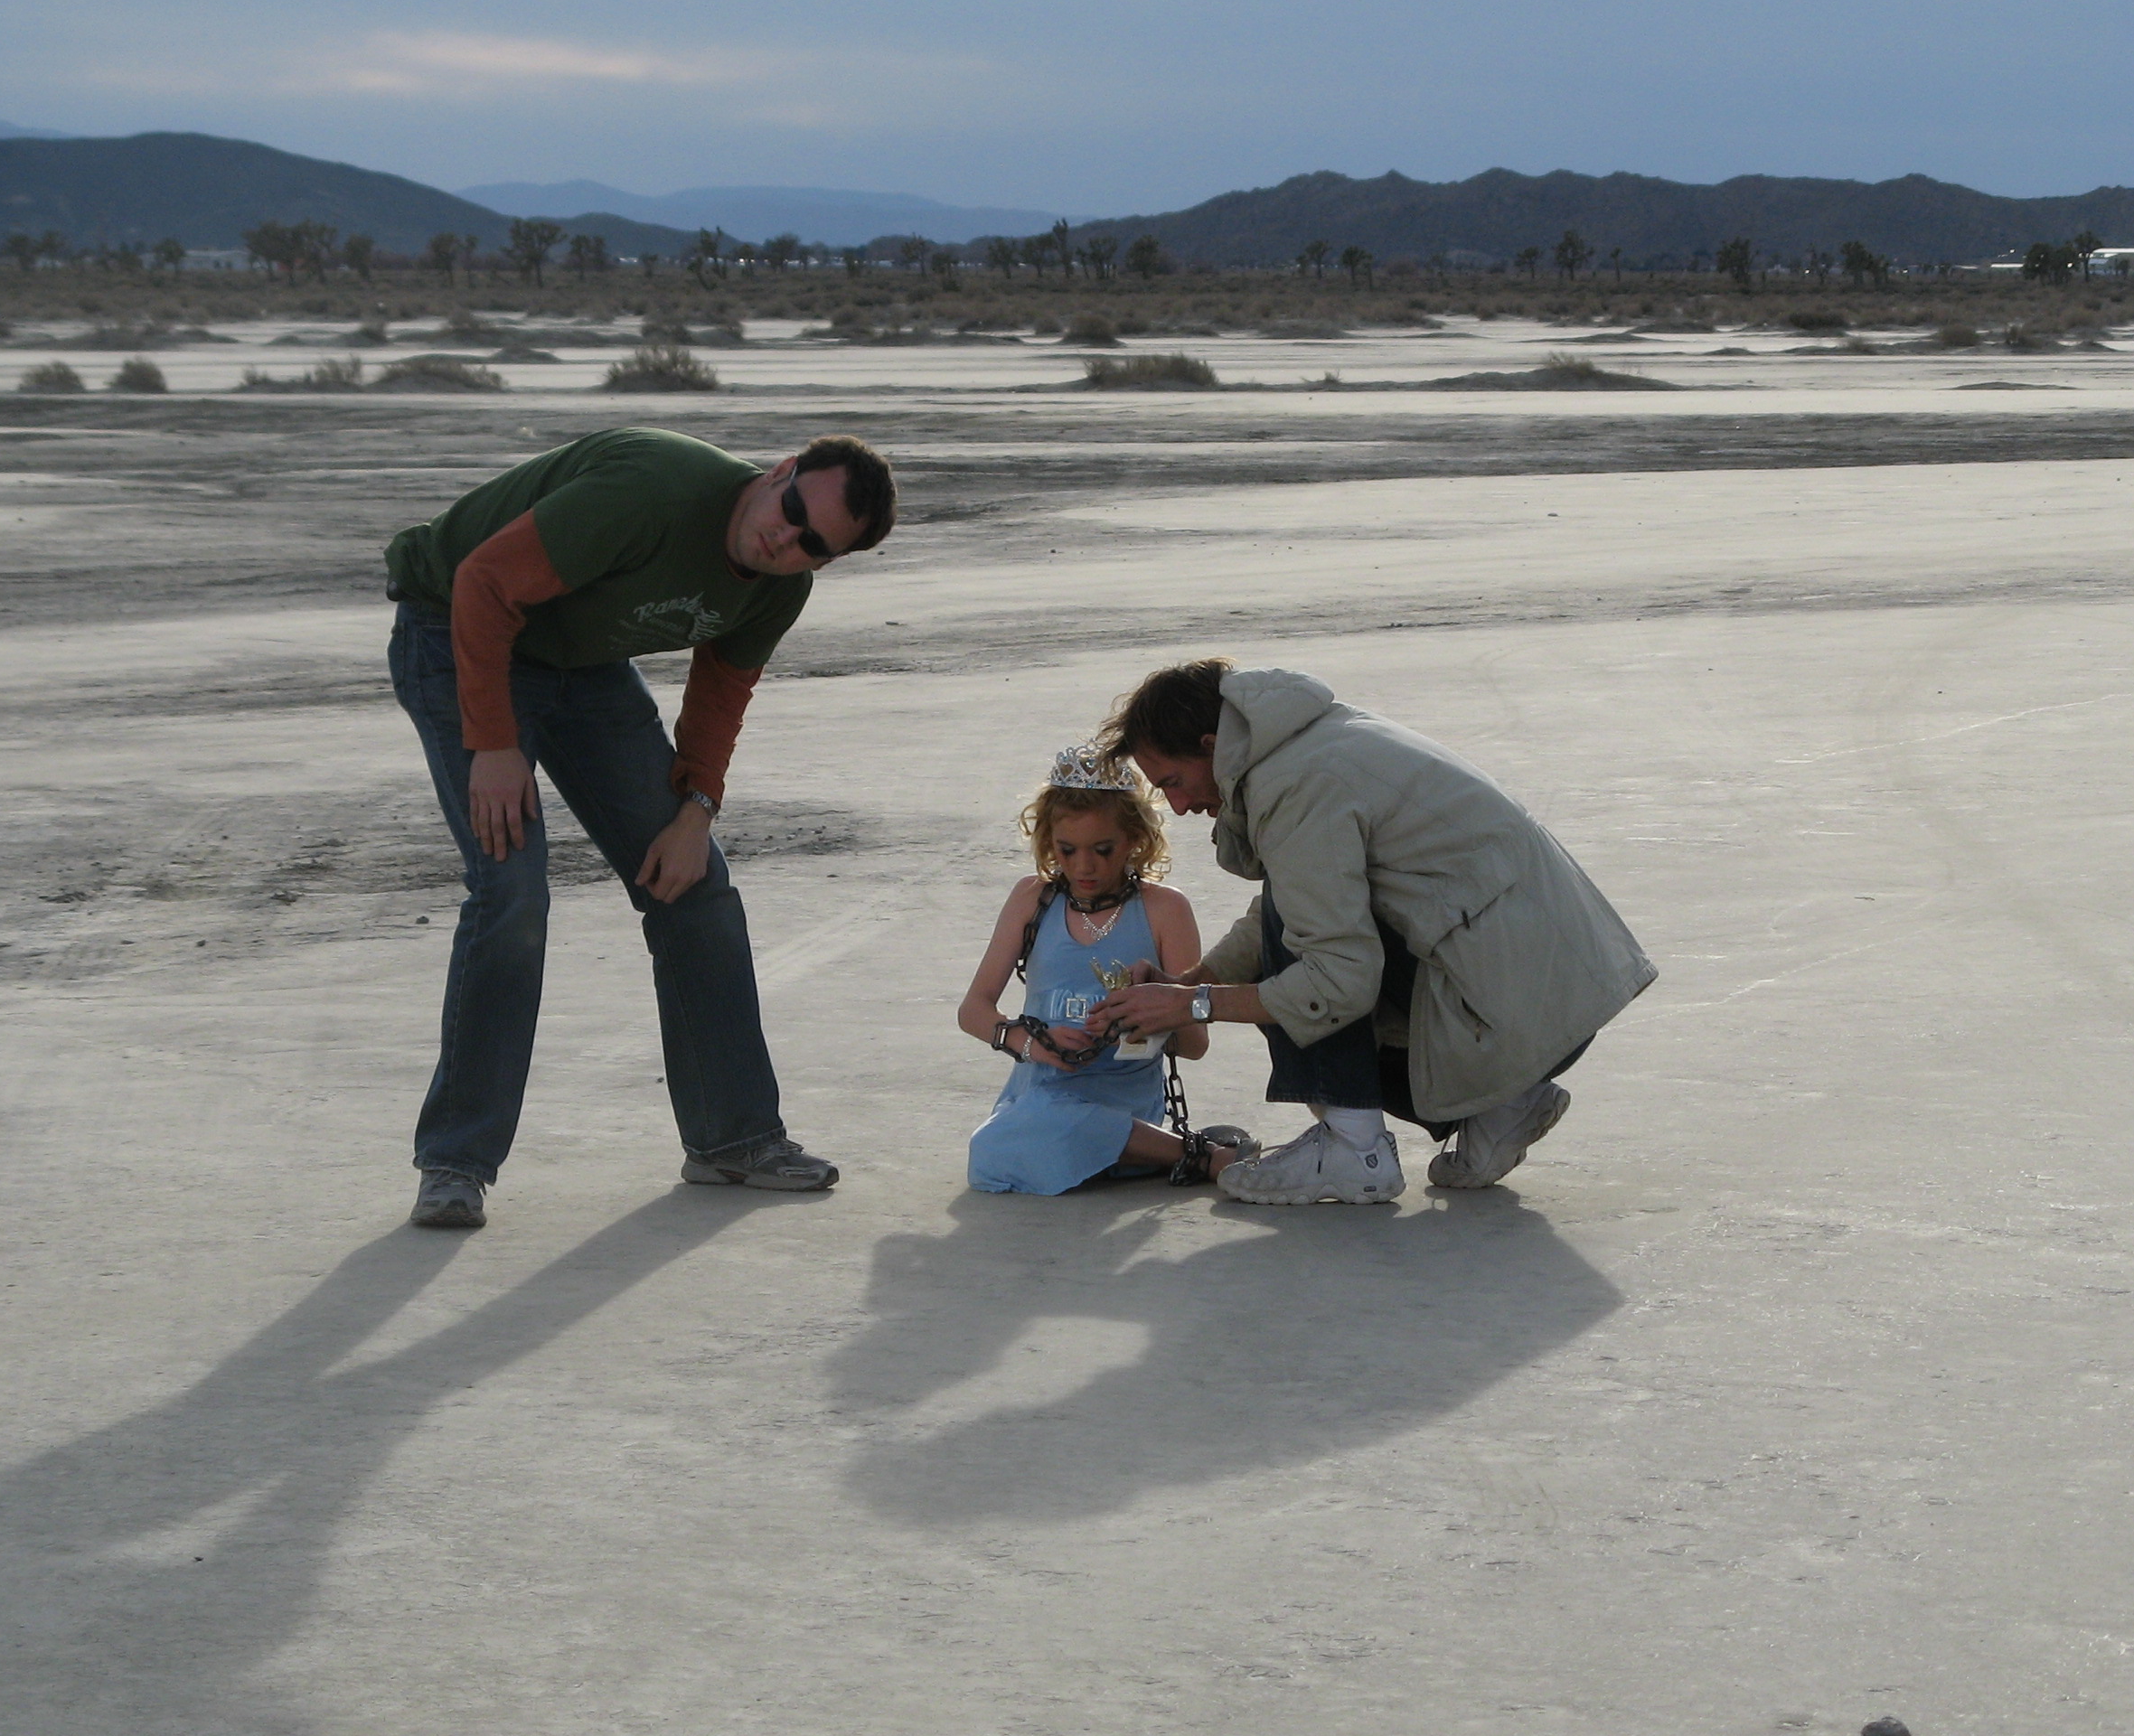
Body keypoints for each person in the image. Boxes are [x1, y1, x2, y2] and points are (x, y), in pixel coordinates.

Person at [383, 426, 895, 1228]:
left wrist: (697, 812)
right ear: (781, 470)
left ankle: (733, 1137)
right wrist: (493, 742)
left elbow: (721, 694)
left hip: (581, 668)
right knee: (511, 892)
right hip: (458, 630)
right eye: (792, 507)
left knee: (696, 886)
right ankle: (455, 1162)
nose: (784, 537)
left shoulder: (777, 585)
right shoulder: (653, 493)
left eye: (812, 545)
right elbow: (483, 582)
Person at [1086, 659, 1654, 1206]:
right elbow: (1307, 893)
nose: (1179, 807)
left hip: (1512, 1008)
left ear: (1212, 746)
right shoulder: (1312, 735)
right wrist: (1190, 983)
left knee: (1306, 960)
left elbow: (1334, 979)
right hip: (1555, 997)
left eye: (1175, 782)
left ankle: (1354, 1149)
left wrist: (1195, 1007)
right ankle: (1505, 1106)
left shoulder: (1295, 784)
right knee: (1305, 923)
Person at [953, 747, 1257, 1194]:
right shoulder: (1031, 900)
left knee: (1025, 1142)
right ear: (1048, 842)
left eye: (1102, 849)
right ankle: (1193, 1155)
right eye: (1067, 850)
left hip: (1123, 1101)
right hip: (1040, 1099)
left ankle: (1148, 1146)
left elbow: (1194, 1044)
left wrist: (1141, 1019)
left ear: (1136, 838)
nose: (1083, 866)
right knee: (991, 1152)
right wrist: (1031, 1042)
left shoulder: (1164, 910)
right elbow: (973, 1010)